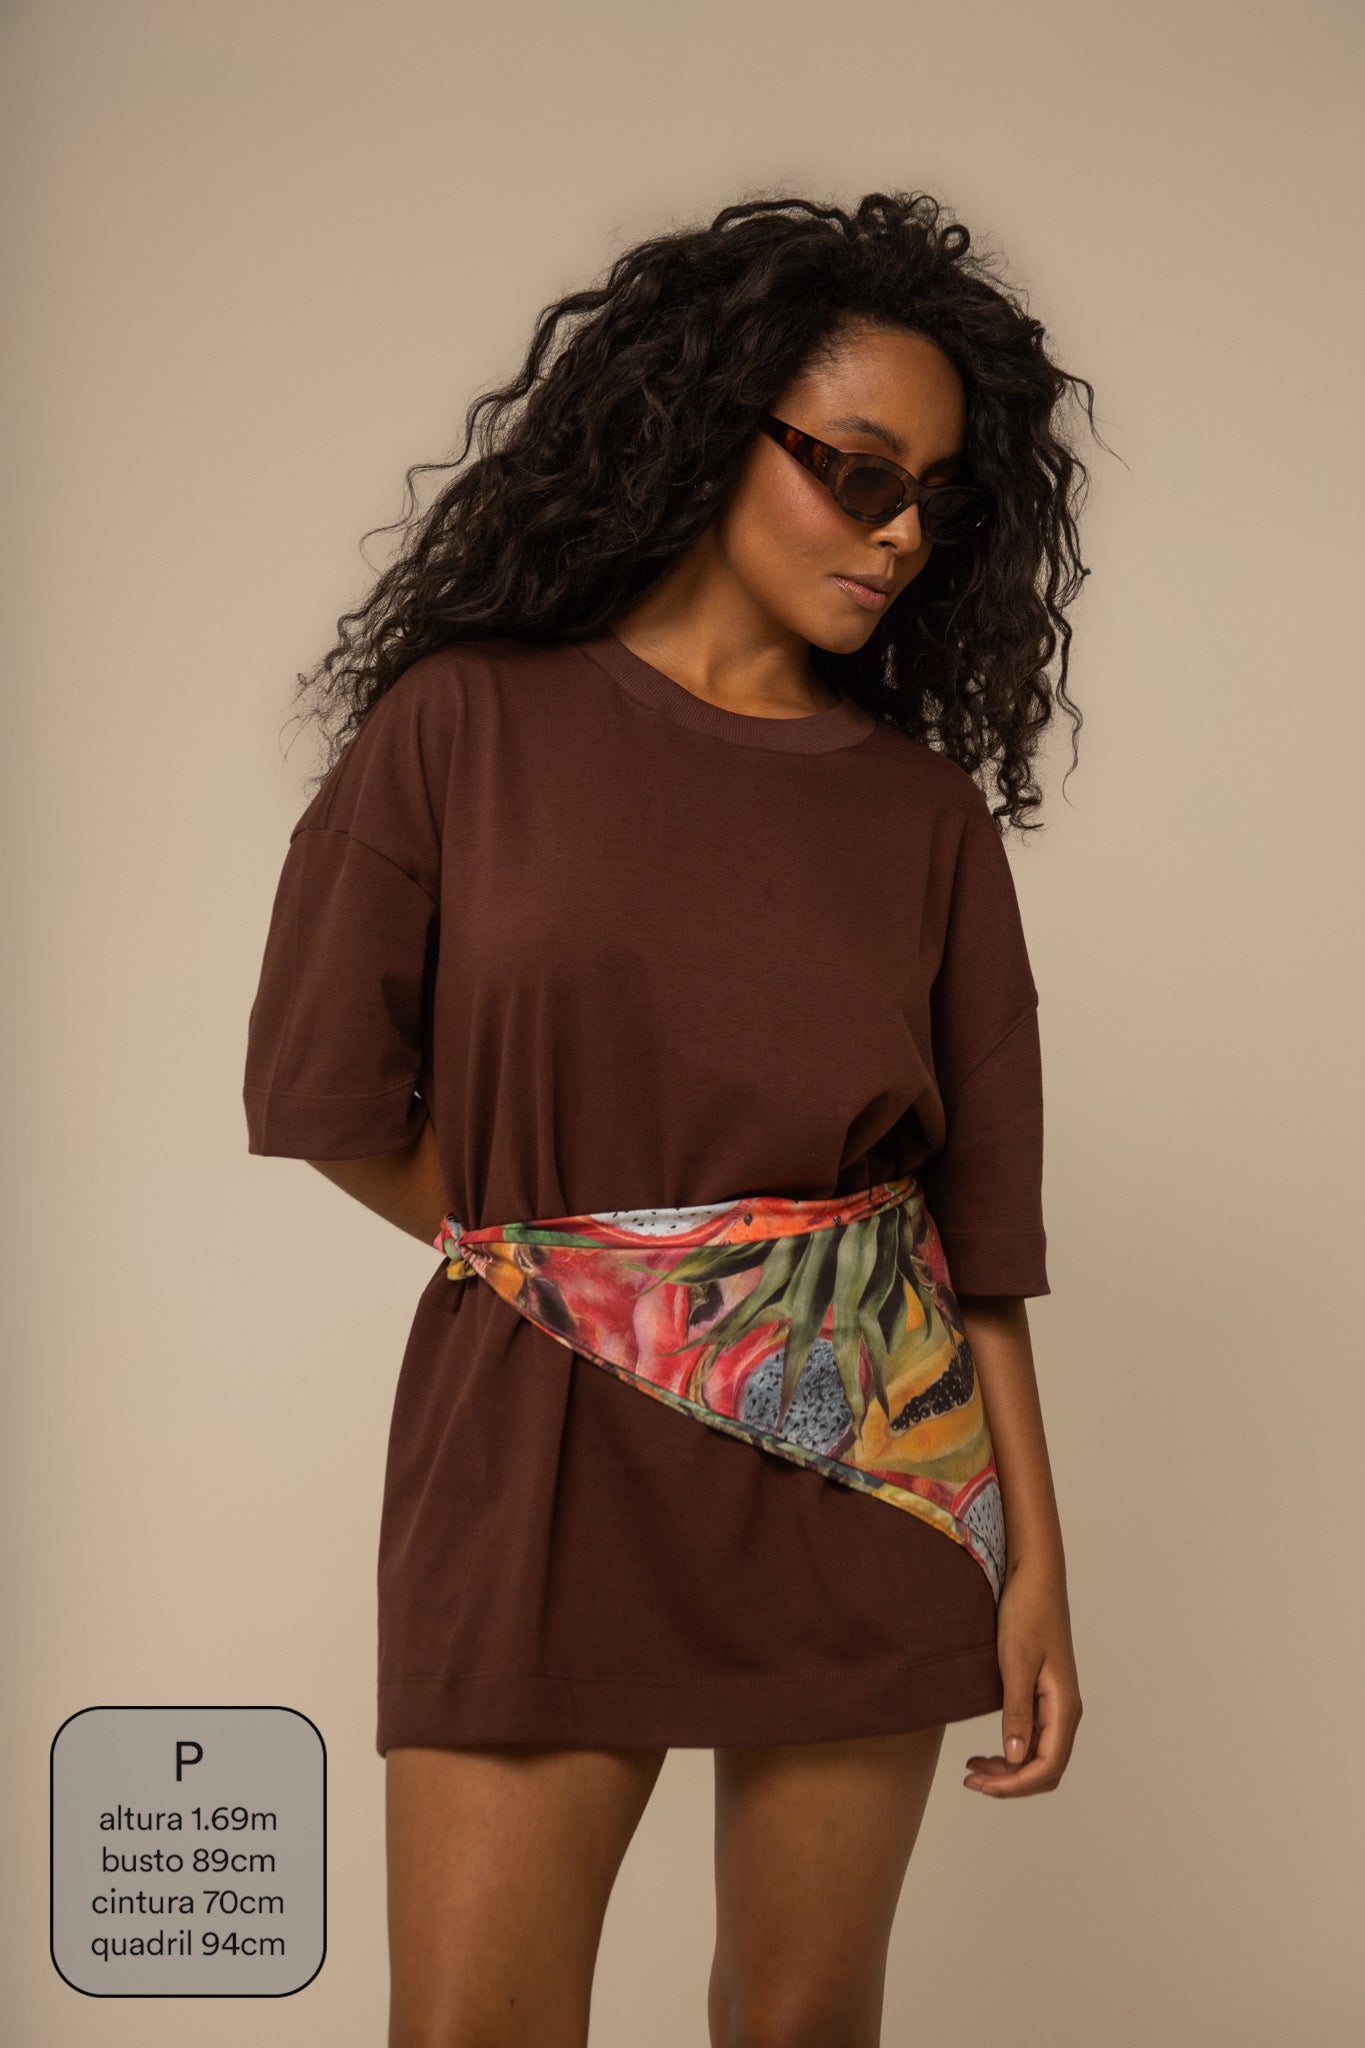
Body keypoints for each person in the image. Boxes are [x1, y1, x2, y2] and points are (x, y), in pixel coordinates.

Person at [243, 188, 1097, 2048]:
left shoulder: (921, 819)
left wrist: (1034, 1562)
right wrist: (626, 1278)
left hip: (870, 1462)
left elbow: (978, 1240)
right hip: (540, 1438)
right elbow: (325, 1094)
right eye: (857, 473)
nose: (900, 533)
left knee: (802, 2026)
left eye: (937, 499)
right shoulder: (460, 728)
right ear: (711, 428)